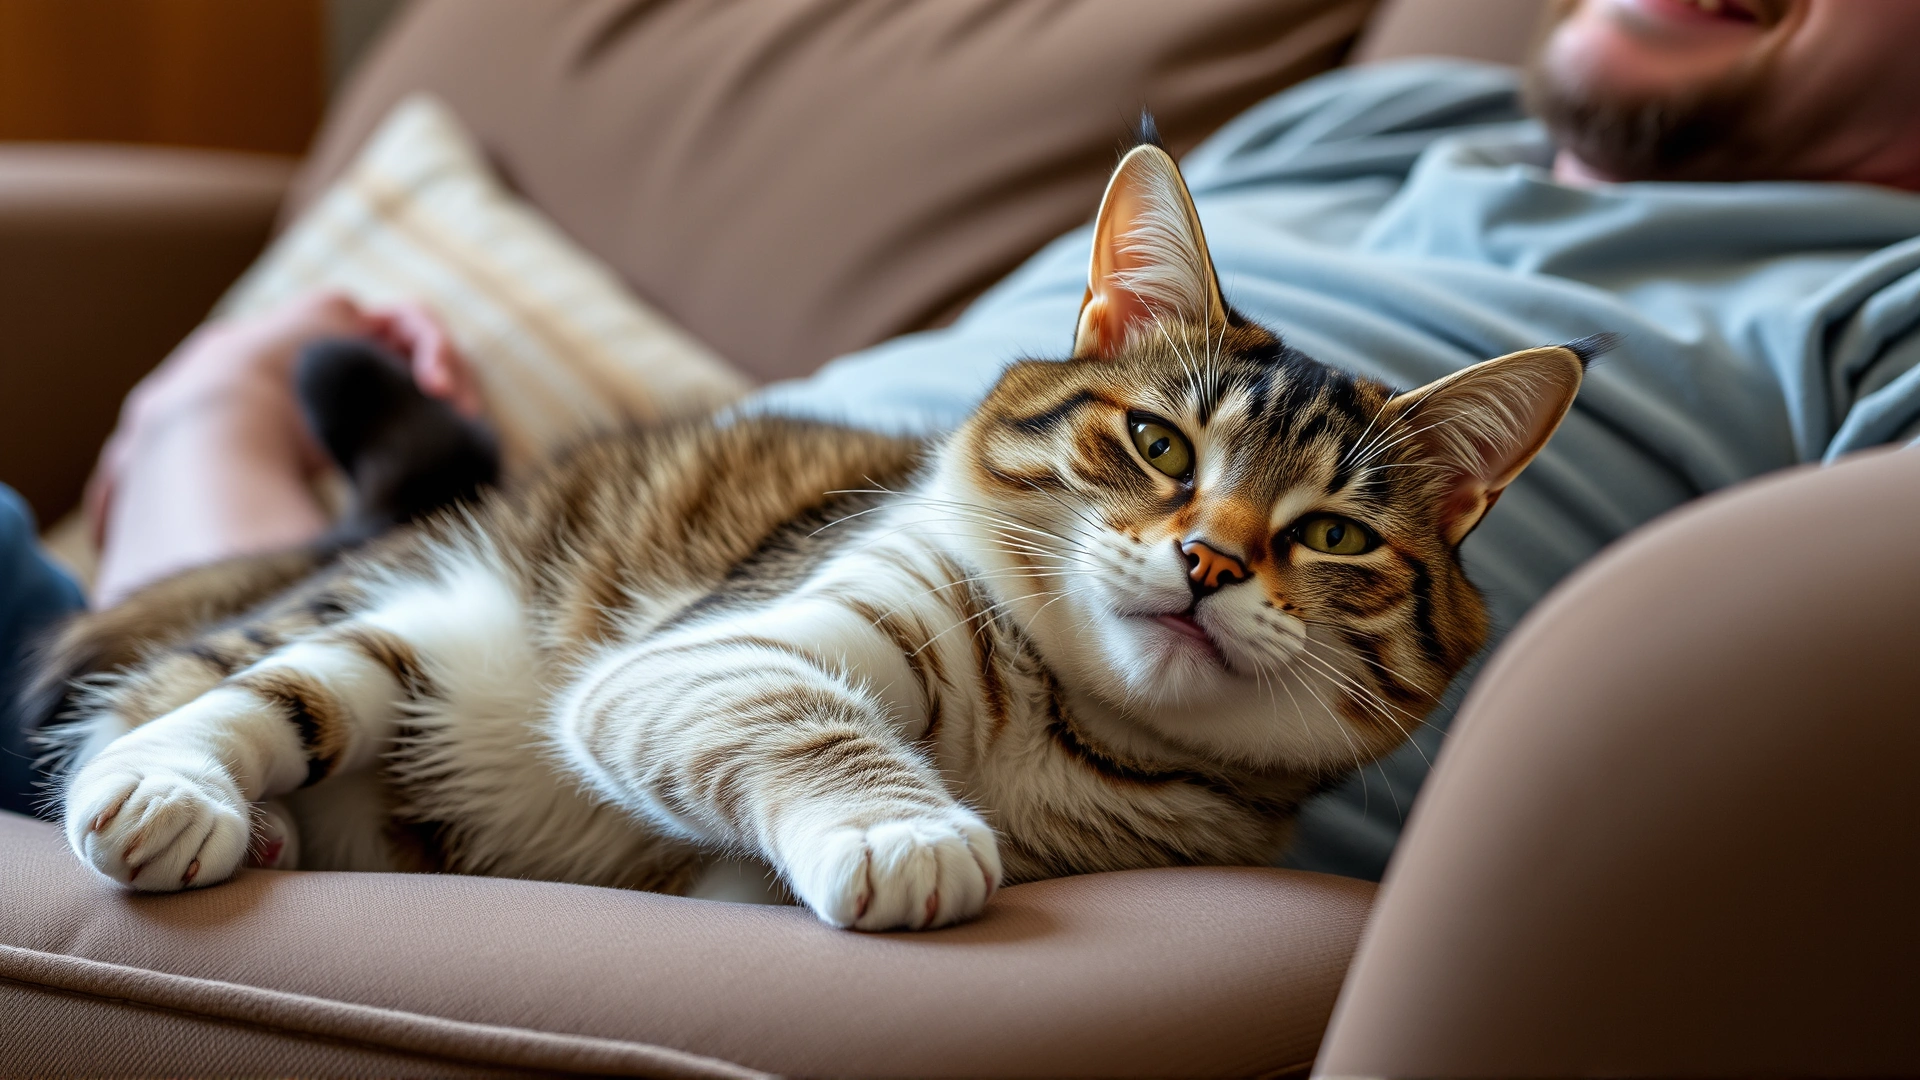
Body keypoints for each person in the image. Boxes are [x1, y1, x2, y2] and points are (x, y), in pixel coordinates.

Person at [5, 0, 1919, 875]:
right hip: (668, 529)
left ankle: (205, 475)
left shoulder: (1872, 289)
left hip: (969, 702)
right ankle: (224, 459)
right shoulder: (1380, 116)